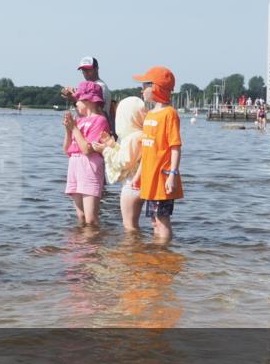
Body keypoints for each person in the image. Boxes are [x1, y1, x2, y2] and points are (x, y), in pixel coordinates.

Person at [132, 66, 183, 241]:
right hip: (150, 177)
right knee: (154, 221)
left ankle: (165, 252)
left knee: (162, 220)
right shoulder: (150, 114)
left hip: (162, 177)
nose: (141, 90)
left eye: (145, 85)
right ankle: (157, 251)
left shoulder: (170, 114)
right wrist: (138, 175)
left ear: (156, 87)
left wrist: (172, 175)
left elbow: (175, 147)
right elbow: (146, 151)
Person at [62, 81, 110, 225]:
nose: (76, 103)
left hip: (89, 166)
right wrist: (68, 130)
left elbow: (87, 149)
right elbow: (66, 149)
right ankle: (81, 240)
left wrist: (74, 129)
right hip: (75, 165)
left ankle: (93, 239)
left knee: (91, 218)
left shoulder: (100, 120)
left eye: (78, 100)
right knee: (81, 217)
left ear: (88, 100)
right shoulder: (80, 120)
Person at [98, 96, 147, 230]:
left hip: (131, 186)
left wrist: (105, 150)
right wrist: (112, 144)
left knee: (129, 225)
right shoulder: (142, 135)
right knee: (134, 224)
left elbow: (124, 161)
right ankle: (138, 242)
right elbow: (130, 156)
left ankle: (131, 244)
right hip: (141, 185)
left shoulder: (132, 137)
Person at [62, 57, 114, 129]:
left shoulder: (100, 87)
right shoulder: (92, 86)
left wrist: (74, 98)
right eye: (83, 70)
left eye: (88, 69)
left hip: (95, 127)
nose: (85, 72)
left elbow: (92, 111)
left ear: (96, 69)